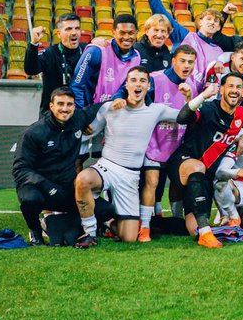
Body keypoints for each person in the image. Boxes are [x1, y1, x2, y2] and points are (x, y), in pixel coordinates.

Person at [73, 67, 179, 246]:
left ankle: (107, 222)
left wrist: (194, 97)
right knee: (83, 180)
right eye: (134, 80)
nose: (138, 84)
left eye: (142, 81)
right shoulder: (110, 108)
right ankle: (89, 232)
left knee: (129, 238)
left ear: (147, 86)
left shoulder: (156, 110)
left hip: (130, 176)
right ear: (127, 85)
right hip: (107, 167)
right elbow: (88, 132)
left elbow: (186, 116)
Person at [12, 87, 104, 245]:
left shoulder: (78, 119)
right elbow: (20, 169)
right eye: (60, 103)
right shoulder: (34, 132)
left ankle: (57, 224)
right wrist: (47, 186)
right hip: (39, 187)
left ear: (74, 106)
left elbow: (96, 108)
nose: (65, 108)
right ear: (51, 106)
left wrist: (118, 100)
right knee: (30, 200)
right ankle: (35, 231)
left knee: (106, 209)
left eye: (69, 104)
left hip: (64, 187)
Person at [170, 72, 243, 248]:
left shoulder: (242, 114)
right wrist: (203, 95)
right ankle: (207, 233)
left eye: (238, 87)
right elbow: (181, 118)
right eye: (230, 86)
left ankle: (158, 225)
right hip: (185, 162)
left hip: (204, 177)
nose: (234, 90)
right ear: (222, 89)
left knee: (193, 228)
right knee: (197, 166)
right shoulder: (208, 108)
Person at [138, 45, 198, 241]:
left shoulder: (194, 85)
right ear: (173, 61)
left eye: (190, 62)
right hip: (154, 143)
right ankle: (145, 226)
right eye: (183, 61)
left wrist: (190, 98)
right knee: (152, 182)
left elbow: (193, 116)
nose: (186, 65)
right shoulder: (155, 79)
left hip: (177, 144)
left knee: (178, 183)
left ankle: (177, 219)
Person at [139, 0, 236, 76]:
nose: (212, 22)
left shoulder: (219, 51)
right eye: (208, 19)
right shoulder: (184, 35)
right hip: (175, 89)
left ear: (219, 27)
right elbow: (161, 12)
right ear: (200, 22)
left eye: (216, 21)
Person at [71, 13, 141, 106]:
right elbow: (77, 85)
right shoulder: (96, 51)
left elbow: (126, 87)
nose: (127, 37)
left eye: (131, 33)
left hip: (117, 112)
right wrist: (81, 115)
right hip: (92, 113)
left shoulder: (136, 57)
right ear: (114, 33)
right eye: (122, 33)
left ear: (136, 33)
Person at [23, 12, 84, 111]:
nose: (74, 32)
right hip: (51, 117)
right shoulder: (50, 53)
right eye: (68, 29)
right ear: (59, 34)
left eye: (77, 28)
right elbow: (30, 70)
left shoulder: (87, 50)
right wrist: (34, 44)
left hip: (78, 115)